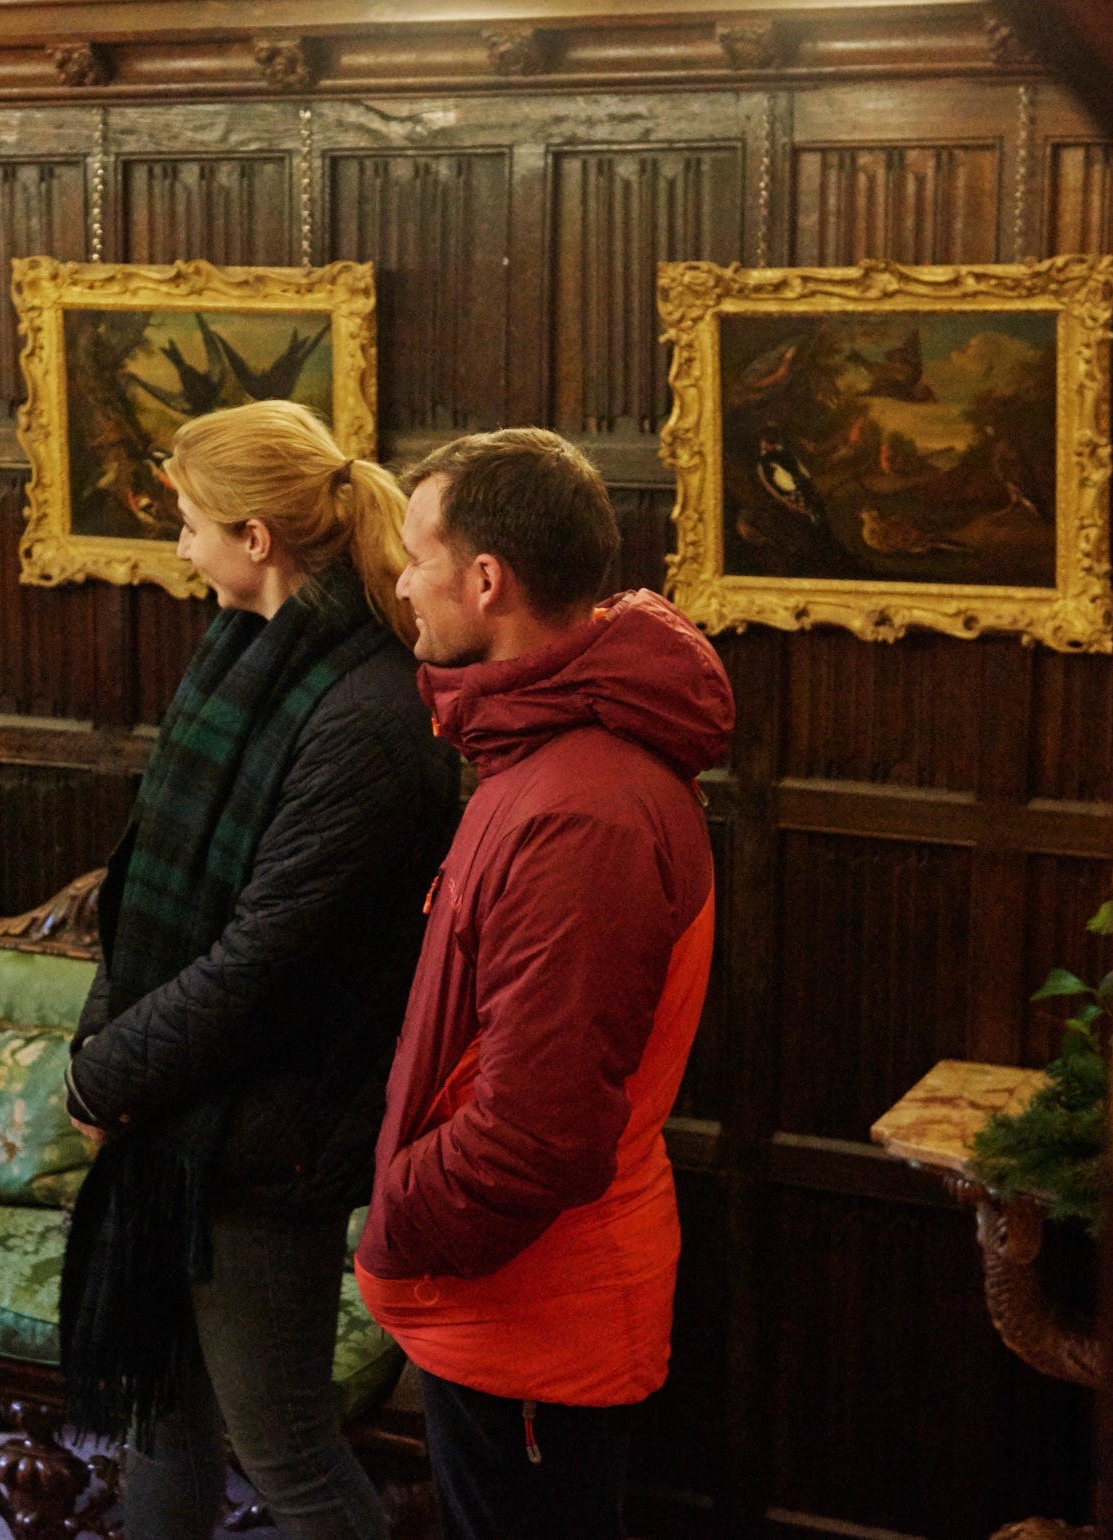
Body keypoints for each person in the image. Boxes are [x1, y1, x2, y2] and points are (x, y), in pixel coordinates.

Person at [60, 402, 462, 1540]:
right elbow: (148, 891)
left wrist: (105, 1080)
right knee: (168, 1420)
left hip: (273, 1138)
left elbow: (265, 957)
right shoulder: (249, 650)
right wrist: (108, 1054)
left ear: (256, 537)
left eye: (187, 524)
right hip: (190, 1120)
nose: (178, 548)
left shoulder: (370, 711)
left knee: (285, 1445)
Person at [354, 429, 734, 1540]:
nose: (401, 580)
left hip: (538, 1312)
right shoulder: (549, 753)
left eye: (418, 554)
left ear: (487, 579)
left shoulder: (581, 810)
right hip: (519, 1302)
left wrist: (394, 1220)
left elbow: (538, 1134)